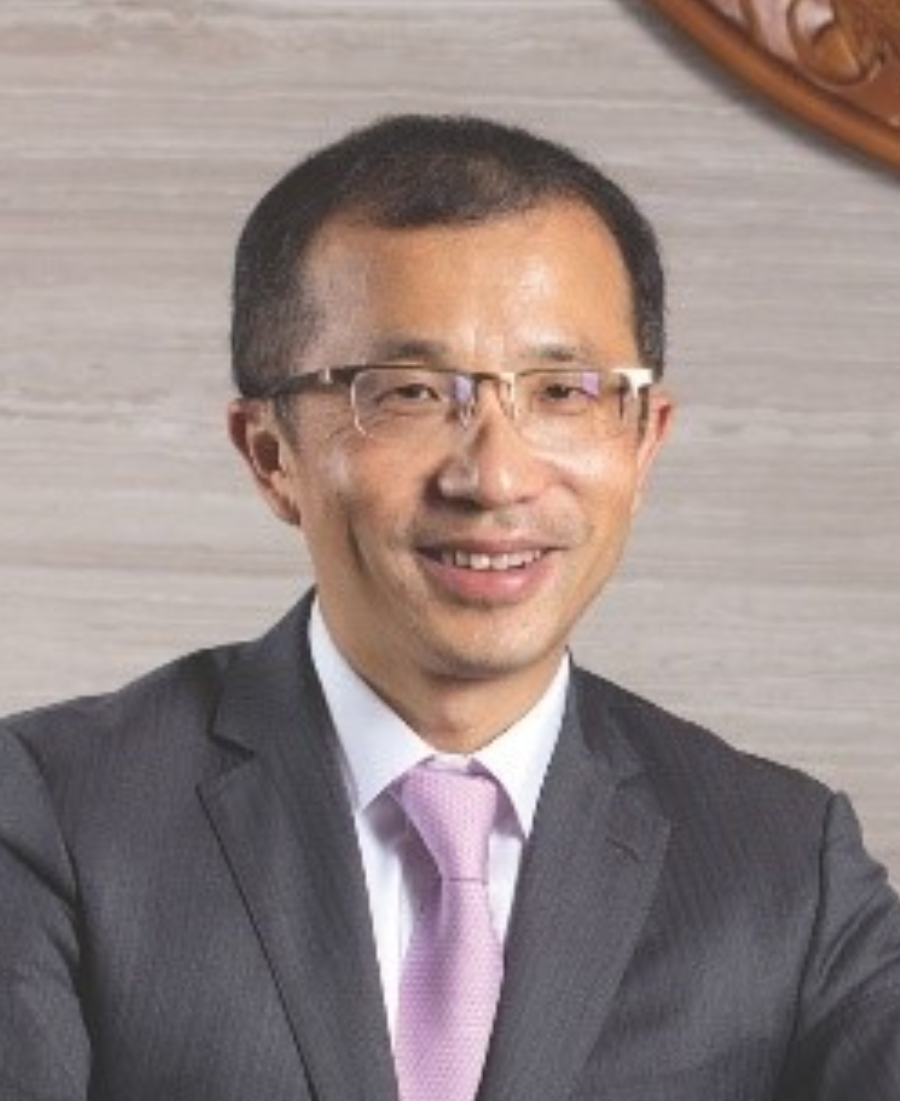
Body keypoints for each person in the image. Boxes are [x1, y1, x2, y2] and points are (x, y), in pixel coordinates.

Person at [1, 114, 898, 1101]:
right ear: (271, 455)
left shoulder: (784, 863)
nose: (496, 477)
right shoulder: (54, 813)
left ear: (645, 442)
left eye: (564, 391)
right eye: (411, 394)